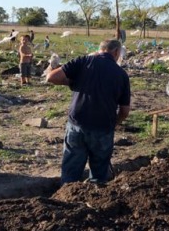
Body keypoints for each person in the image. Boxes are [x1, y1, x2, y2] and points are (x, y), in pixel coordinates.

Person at [46, 39, 131, 184]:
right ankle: (96, 198)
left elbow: (51, 77)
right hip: (103, 126)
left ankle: (65, 199)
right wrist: (115, 123)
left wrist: (73, 82)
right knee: (99, 174)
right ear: (116, 52)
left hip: (77, 123)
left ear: (100, 49)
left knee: (70, 170)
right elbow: (124, 111)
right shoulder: (121, 74)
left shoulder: (83, 61)